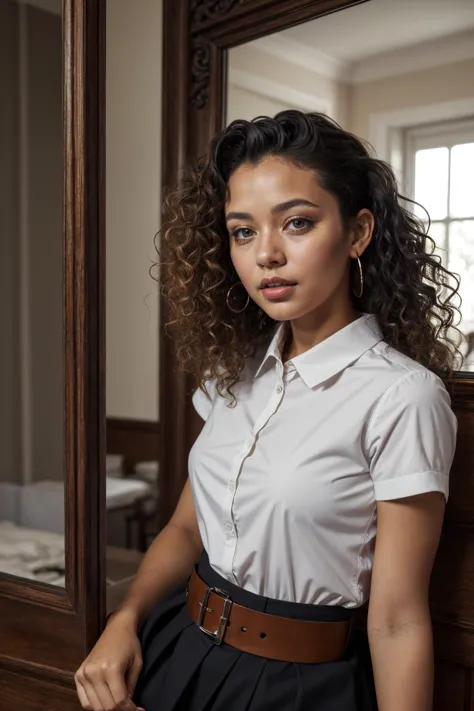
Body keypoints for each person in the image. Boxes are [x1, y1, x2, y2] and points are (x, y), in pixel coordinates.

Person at [75, 110, 463, 711]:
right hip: (177, 646)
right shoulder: (232, 372)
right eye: (243, 231)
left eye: (298, 223)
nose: (268, 255)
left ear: (358, 233)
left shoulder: (402, 397)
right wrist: (124, 618)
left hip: (298, 687)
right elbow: (185, 528)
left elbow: (397, 620)